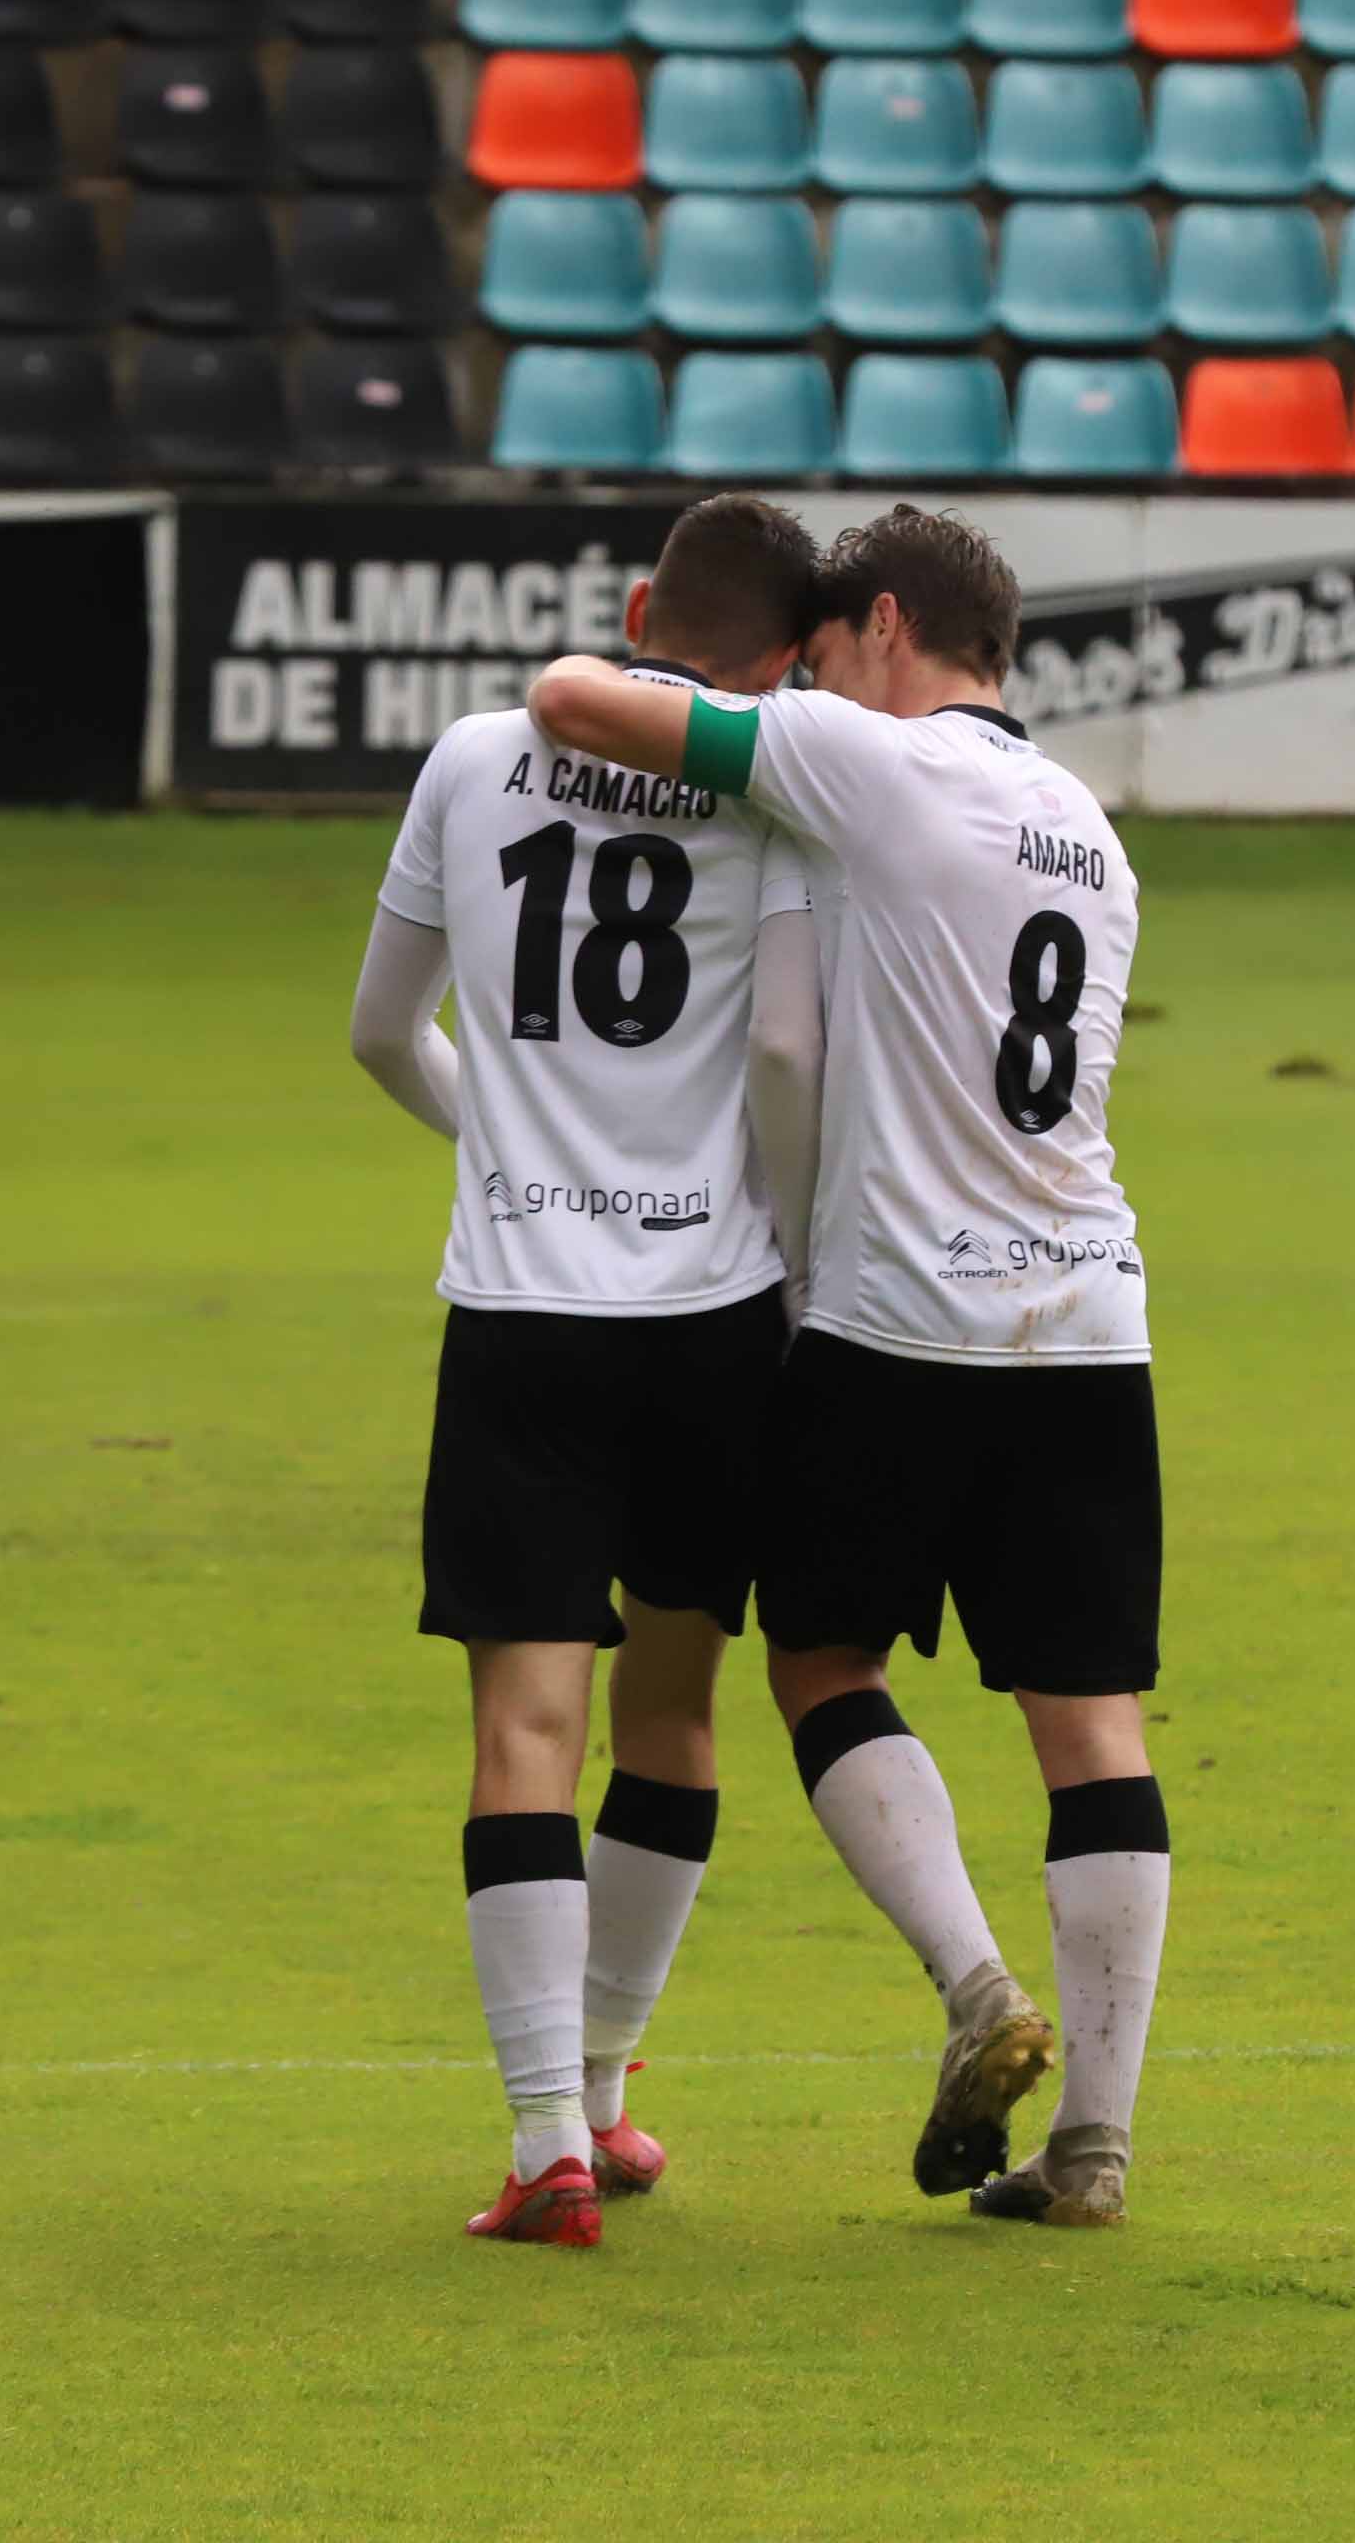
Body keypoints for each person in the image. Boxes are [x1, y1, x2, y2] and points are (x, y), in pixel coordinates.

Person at [526, 505, 1168, 2233]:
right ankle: (1095, 2150)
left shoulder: (868, 762)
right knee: (1090, 1722)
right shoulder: (1092, 831)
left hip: (896, 1317)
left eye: (820, 660)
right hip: (1090, 1317)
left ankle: (974, 1983)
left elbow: (582, 704)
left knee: (819, 1660)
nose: (805, 690)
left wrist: (709, 679)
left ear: (885, 625)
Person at [348, 494, 830, 2249]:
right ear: (788, 665)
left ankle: (550, 2138)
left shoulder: (474, 759)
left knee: (523, 1728)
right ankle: (611, 2082)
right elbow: (790, 1056)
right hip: (718, 1315)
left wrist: (505, 1148)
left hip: (523, 1313)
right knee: (675, 1716)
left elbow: (379, 1032)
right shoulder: (781, 796)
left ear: (637, 610)